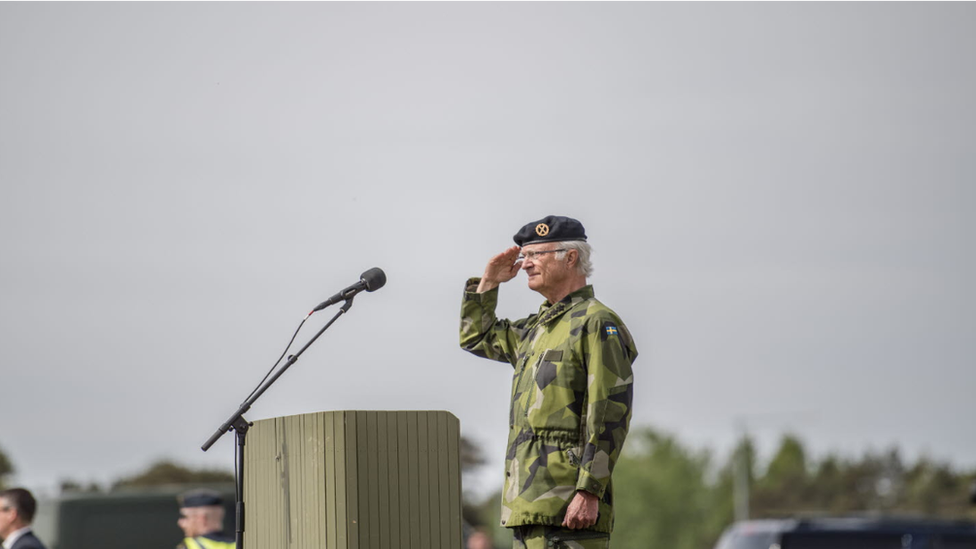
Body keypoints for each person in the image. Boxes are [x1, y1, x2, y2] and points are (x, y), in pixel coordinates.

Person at [460, 215, 637, 549]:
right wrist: (488, 283)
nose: (525, 264)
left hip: (568, 511)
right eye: (523, 256)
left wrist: (589, 490)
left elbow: (610, 412)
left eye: (536, 254)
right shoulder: (537, 329)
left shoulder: (596, 322)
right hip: (527, 508)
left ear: (570, 257)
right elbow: (476, 337)